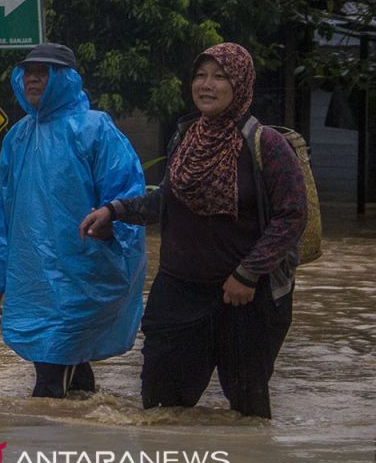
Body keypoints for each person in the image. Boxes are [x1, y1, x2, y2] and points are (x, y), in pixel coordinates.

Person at [79, 42, 306, 419]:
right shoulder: (186, 138)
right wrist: (114, 210)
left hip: (245, 301)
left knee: (247, 416)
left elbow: (292, 216)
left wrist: (247, 274)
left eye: (219, 77)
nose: (206, 84)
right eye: (200, 75)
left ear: (241, 85)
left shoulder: (267, 145)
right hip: (178, 295)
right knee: (160, 411)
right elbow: (167, 200)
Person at [0, 43, 146, 399]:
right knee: (68, 373)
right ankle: (78, 445)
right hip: (32, 282)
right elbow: (2, 211)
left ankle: (44, 449)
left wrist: (112, 237)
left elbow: (128, 199)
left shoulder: (95, 129)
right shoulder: (18, 137)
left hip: (82, 278)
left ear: (64, 78)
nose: (34, 78)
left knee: (49, 384)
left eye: (44, 71)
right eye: (28, 71)